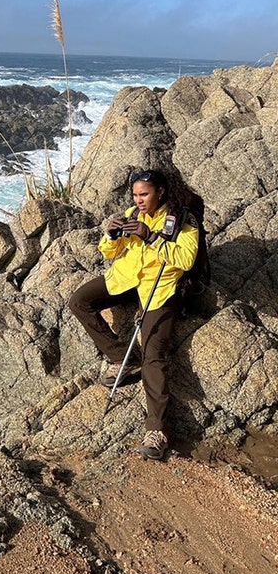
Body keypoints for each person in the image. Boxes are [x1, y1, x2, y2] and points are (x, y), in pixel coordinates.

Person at [67, 169, 198, 460]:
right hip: (127, 280)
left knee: (155, 354)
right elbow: (111, 252)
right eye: (136, 194)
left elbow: (186, 259)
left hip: (160, 288)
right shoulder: (133, 214)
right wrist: (112, 234)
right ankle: (121, 357)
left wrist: (151, 237)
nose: (138, 200)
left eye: (144, 194)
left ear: (160, 193)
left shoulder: (181, 220)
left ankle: (157, 430)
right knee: (79, 301)